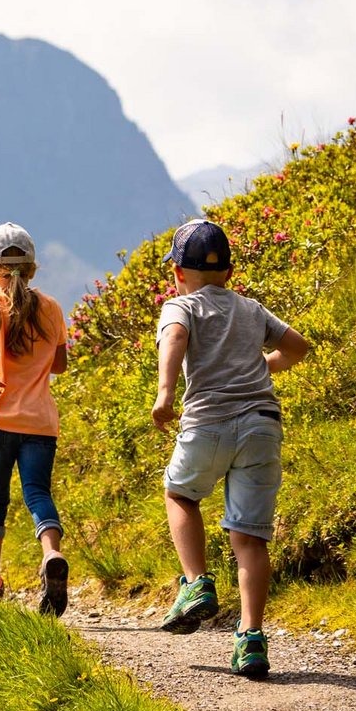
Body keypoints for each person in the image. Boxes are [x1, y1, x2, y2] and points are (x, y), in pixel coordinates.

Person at [151, 219, 310, 677]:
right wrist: (262, 366)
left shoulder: (179, 307)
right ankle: (251, 638)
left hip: (209, 422)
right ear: (230, 271)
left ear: (178, 271)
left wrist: (165, 394)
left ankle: (196, 583)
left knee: (180, 493)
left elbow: (177, 338)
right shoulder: (251, 309)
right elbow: (298, 347)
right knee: (249, 536)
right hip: (262, 425)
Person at [0, 222, 70, 616]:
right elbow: (60, 364)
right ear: (32, 269)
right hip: (40, 423)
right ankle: (51, 555)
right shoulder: (52, 307)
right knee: (37, 494)